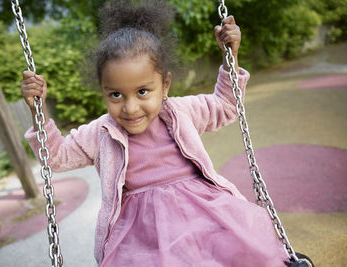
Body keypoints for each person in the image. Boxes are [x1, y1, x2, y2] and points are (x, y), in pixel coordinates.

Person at [22, 0, 289, 266]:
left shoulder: (181, 111)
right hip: (142, 232)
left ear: (165, 84)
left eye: (142, 92)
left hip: (204, 211)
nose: (130, 107)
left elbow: (227, 106)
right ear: (103, 91)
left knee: (240, 249)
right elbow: (55, 157)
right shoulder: (101, 132)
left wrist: (230, 56)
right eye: (115, 94)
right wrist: (40, 111)